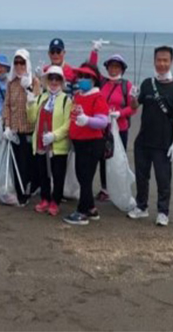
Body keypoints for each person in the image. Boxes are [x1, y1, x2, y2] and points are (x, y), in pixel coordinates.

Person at [126, 46, 173, 227]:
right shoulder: (146, 83)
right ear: (154, 61)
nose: (162, 64)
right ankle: (141, 207)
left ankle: (162, 212)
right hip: (143, 141)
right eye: (159, 60)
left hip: (164, 143)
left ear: (171, 62)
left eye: (165, 60)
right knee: (142, 177)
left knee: (163, 179)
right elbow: (135, 106)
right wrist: (133, 97)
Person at [62, 63, 110, 226]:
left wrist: (88, 120)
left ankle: (81, 212)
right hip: (79, 143)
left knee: (85, 177)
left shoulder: (98, 97)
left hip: (92, 143)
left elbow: (103, 121)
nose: (82, 79)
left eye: (86, 77)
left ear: (94, 80)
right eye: (80, 76)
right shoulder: (78, 95)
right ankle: (91, 208)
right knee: (82, 176)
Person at [28, 66, 72, 216]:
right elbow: (32, 119)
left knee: (58, 175)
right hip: (41, 143)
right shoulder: (41, 97)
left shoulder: (66, 100)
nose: (54, 81)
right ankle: (45, 199)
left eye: (57, 79)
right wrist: (30, 103)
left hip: (58, 146)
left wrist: (54, 136)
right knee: (44, 174)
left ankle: (55, 201)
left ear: (61, 81)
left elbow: (68, 124)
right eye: (51, 78)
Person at [1, 49, 41, 203]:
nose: (19, 66)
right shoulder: (10, 83)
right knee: (16, 162)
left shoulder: (34, 81)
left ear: (27, 63)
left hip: (29, 129)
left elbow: (37, 103)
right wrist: (7, 126)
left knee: (29, 163)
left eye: (22, 62)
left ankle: (28, 190)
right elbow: (7, 105)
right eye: (16, 62)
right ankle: (20, 194)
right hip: (14, 130)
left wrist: (29, 89)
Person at [96, 54, 135, 202]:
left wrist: (120, 113)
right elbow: (91, 69)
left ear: (122, 69)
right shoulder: (102, 82)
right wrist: (95, 51)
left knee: (118, 160)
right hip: (102, 127)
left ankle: (119, 188)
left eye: (117, 66)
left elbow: (133, 108)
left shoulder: (127, 85)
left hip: (120, 129)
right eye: (111, 66)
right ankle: (105, 189)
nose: (113, 69)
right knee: (102, 158)